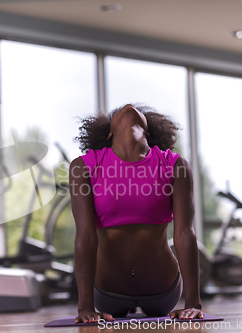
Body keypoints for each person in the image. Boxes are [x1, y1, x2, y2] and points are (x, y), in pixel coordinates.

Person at [69, 103, 203, 323]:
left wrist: (193, 304)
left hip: (163, 291)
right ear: (109, 134)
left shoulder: (175, 165)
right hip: (107, 292)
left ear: (148, 133)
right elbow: (85, 237)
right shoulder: (83, 167)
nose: (129, 107)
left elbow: (184, 234)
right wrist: (85, 307)